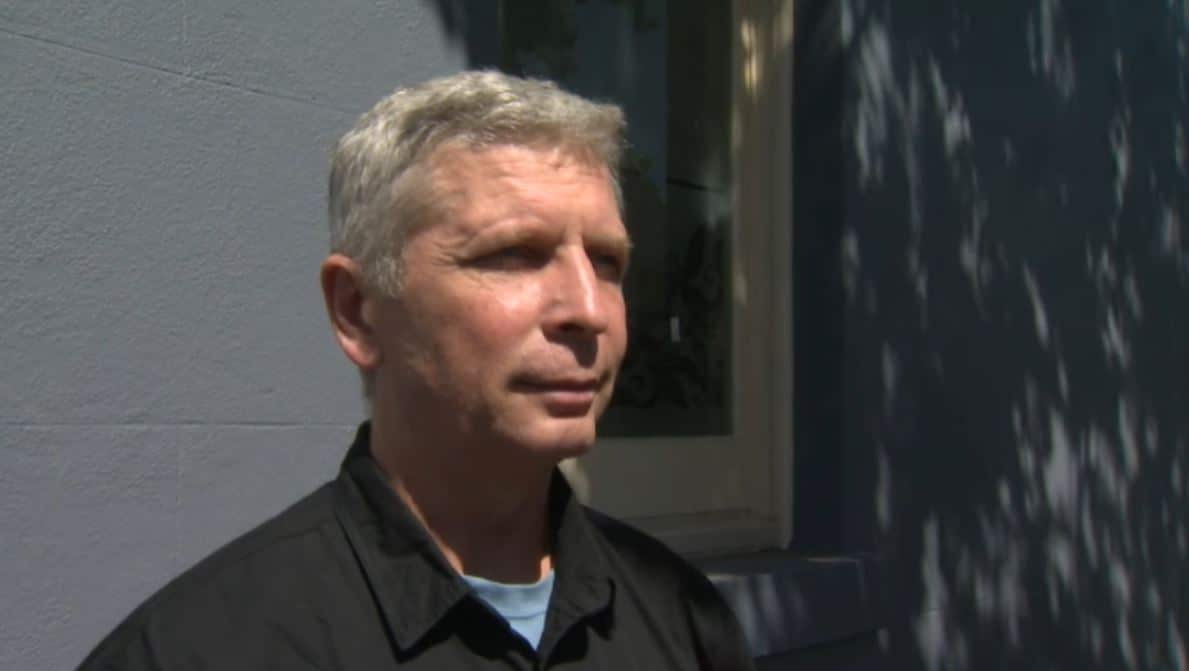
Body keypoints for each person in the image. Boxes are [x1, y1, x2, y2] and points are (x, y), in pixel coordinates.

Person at [78, 70, 756, 670]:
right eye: (516, 253)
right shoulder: (202, 648)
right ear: (359, 311)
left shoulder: (683, 622)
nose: (589, 310)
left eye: (607, 261)